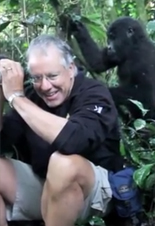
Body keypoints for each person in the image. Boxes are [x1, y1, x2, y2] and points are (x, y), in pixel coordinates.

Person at [0, 34, 124, 226]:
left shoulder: (93, 93)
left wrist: (17, 98)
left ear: (71, 68)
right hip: (46, 187)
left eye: (52, 76)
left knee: (63, 163)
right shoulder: (32, 97)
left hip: (93, 195)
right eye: (37, 78)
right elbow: (2, 141)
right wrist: (2, 95)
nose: (45, 86)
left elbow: (75, 141)